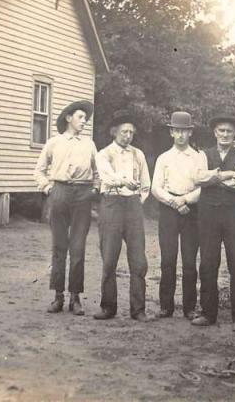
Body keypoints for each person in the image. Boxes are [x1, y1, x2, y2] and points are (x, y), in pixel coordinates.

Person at [33, 100, 99, 316]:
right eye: (81, 117)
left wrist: (95, 190)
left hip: (83, 194)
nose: (84, 121)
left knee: (78, 247)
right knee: (59, 245)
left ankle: (75, 297)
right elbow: (39, 170)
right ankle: (58, 296)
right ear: (69, 118)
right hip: (59, 192)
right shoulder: (54, 143)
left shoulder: (89, 144)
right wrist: (48, 188)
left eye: (86, 118)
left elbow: (98, 171)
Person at [191, 115, 235, 332]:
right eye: (221, 131)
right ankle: (208, 313)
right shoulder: (202, 154)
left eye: (229, 131)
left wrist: (213, 179)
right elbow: (196, 178)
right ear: (215, 132)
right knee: (208, 262)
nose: (225, 134)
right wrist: (224, 175)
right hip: (208, 213)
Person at [93, 110, 152, 322]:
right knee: (109, 258)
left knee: (138, 260)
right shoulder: (103, 154)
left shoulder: (139, 154)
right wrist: (123, 182)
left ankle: (139, 309)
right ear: (114, 132)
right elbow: (107, 176)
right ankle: (108, 307)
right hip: (111, 204)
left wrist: (137, 200)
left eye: (131, 132)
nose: (128, 136)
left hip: (133, 206)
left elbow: (146, 184)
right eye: (124, 131)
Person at [151, 111, 202, 320]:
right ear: (171, 132)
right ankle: (166, 306)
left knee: (189, 261)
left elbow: (203, 187)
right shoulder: (164, 158)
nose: (180, 135)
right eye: (176, 131)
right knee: (168, 259)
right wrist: (174, 202)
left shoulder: (199, 157)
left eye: (184, 131)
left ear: (190, 133)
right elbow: (156, 188)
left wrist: (186, 200)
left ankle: (189, 307)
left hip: (191, 210)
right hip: (169, 210)